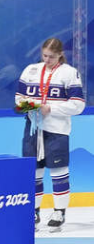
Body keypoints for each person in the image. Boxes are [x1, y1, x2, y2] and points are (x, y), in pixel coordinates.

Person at [14, 37, 84, 230]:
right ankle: (33, 212)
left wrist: (50, 109)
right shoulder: (30, 70)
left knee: (58, 172)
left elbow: (78, 105)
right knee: (33, 172)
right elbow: (19, 97)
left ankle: (59, 212)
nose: (47, 60)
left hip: (57, 131)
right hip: (32, 128)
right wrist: (28, 106)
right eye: (44, 55)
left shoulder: (69, 73)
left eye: (51, 57)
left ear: (60, 54)